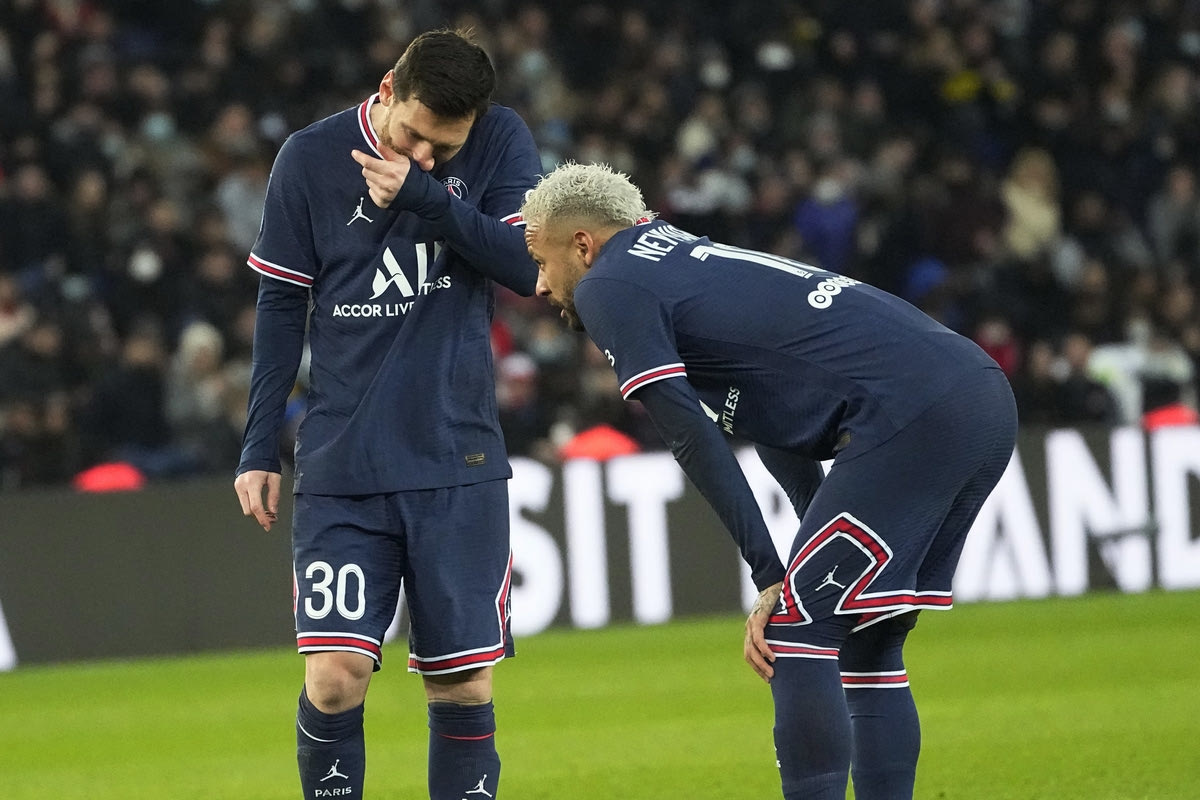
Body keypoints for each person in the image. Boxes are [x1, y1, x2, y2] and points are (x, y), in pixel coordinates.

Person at [520, 162, 1017, 800]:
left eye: (542, 261)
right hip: (976, 394)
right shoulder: (679, 260)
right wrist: (804, 545)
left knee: (793, 634)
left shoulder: (609, 286)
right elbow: (773, 415)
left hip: (912, 413)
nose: (539, 284)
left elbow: (690, 436)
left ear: (583, 245)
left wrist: (769, 575)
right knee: (865, 640)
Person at [232, 29, 540, 800]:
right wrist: (259, 444)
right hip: (344, 463)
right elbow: (280, 306)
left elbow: (523, 266)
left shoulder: (500, 140)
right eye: (414, 137)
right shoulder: (309, 158)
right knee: (335, 677)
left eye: (445, 148)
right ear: (387, 90)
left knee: (461, 682)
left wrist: (423, 198)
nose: (425, 156)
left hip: (458, 460)